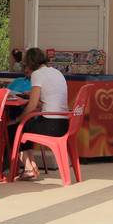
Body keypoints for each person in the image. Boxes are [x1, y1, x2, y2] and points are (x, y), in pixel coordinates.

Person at [14, 47, 69, 181]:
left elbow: (32, 106)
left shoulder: (37, 74)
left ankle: (28, 168)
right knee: (27, 124)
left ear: (30, 63)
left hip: (51, 125)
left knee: (17, 127)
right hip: (64, 124)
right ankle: (31, 166)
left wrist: (17, 119)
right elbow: (47, 101)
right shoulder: (57, 72)